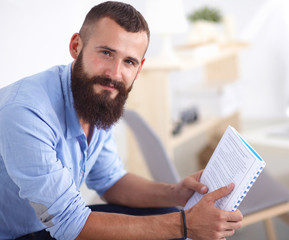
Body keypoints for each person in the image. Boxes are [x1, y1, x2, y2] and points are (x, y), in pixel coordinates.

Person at [0, 1, 243, 240]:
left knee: (167, 212)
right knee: (175, 227)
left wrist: (176, 194)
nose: (115, 73)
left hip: (48, 227)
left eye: (129, 61)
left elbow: (110, 181)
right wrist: (186, 225)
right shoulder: (26, 112)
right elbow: (69, 224)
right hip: (18, 234)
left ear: (139, 69)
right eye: (106, 53)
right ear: (76, 46)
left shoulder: (96, 98)